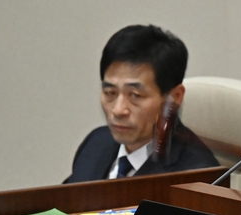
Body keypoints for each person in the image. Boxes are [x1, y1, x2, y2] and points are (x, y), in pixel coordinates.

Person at [64, 25, 218, 183]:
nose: (118, 110)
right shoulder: (95, 143)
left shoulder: (196, 177)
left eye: (135, 95)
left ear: (175, 97)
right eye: (110, 93)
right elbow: (65, 205)